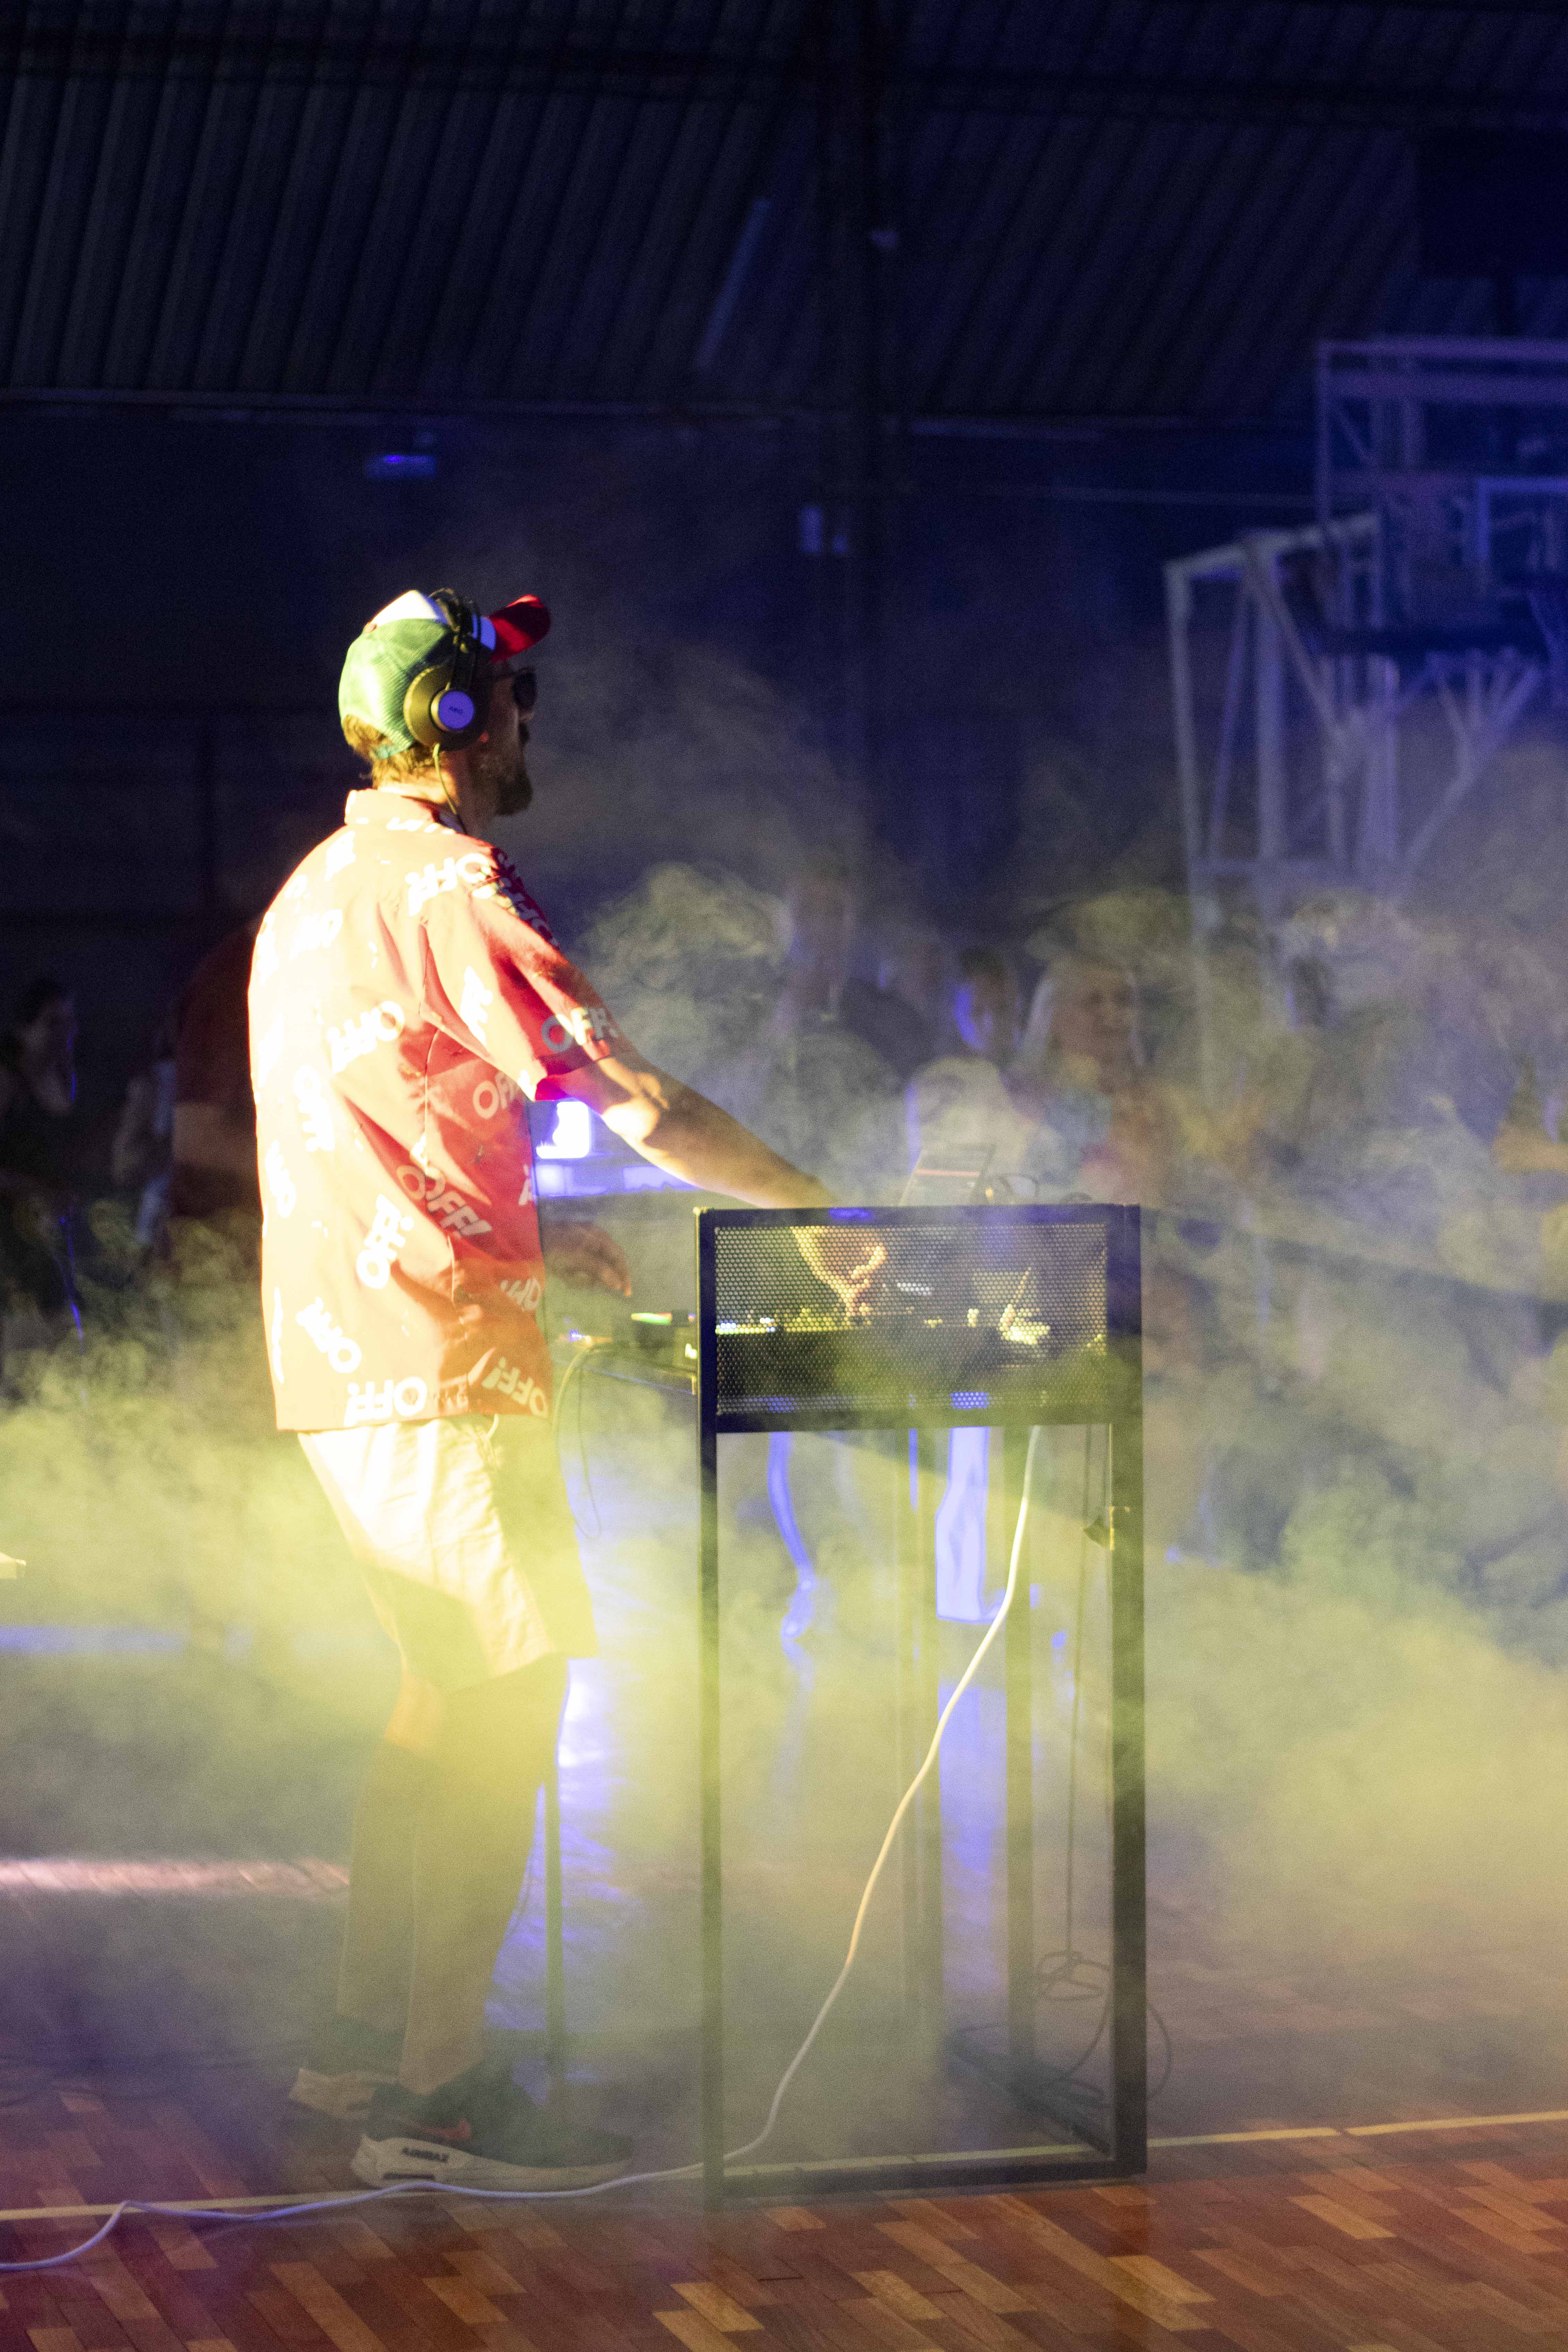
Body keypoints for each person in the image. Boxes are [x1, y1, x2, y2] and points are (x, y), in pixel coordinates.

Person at [255, 586, 878, 2194]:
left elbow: (391, 1132)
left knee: (435, 1702)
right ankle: (438, 2096)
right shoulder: (449, 881)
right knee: (506, 1705)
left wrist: (538, 1234)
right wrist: (809, 1209)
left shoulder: (316, 889)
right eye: (507, 697)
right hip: (438, 1368)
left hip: (354, 1360)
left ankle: (360, 2049)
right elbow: (631, 1095)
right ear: (451, 720)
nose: (528, 722)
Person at [0, 977, 82, 1371]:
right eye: (52, 1022)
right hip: (10, 1231)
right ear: (23, 1029)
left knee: (61, 1329)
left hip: (47, 1228)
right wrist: (36, 1190)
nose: (65, 1032)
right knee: (28, 1336)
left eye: (69, 1021)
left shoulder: (64, 1077)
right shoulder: (7, 1081)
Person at [904, 947, 1034, 1195]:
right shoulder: (938, 1083)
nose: (992, 1024)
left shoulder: (1033, 1079)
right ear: (955, 1013)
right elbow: (944, 1192)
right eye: (979, 1011)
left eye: (1002, 1009)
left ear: (1019, 1009)